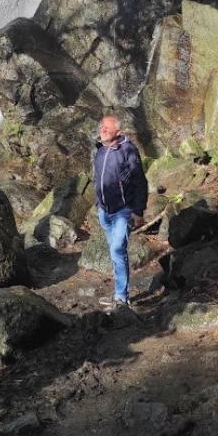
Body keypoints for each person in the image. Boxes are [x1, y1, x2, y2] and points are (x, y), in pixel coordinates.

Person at [93, 115, 148, 309]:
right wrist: (97, 204)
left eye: (107, 128)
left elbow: (140, 181)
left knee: (117, 250)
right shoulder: (100, 151)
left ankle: (121, 297)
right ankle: (119, 294)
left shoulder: (127, 150)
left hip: (123, 211)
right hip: (104, 212)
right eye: (102, 127)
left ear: (118, 132)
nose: (103, 130)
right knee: (114, 252)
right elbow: (97, 180)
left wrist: (138, 211)